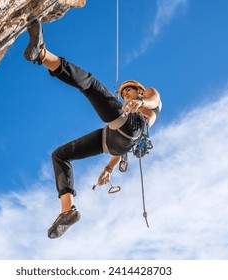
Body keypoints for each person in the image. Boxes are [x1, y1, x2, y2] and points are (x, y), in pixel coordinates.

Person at [24, 19, 162, 239]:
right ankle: (67, 210)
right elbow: (120, 148)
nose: (126, 96)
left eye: (129, 92)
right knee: (60, 155)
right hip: (115, 139)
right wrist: (108, 170)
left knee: (90, 84)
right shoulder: (125, 112)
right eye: (123, 94)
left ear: (139, 90)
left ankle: (43, 54)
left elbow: (154, 100)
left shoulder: (147, 97)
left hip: (131, 128)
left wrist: (141, 103)